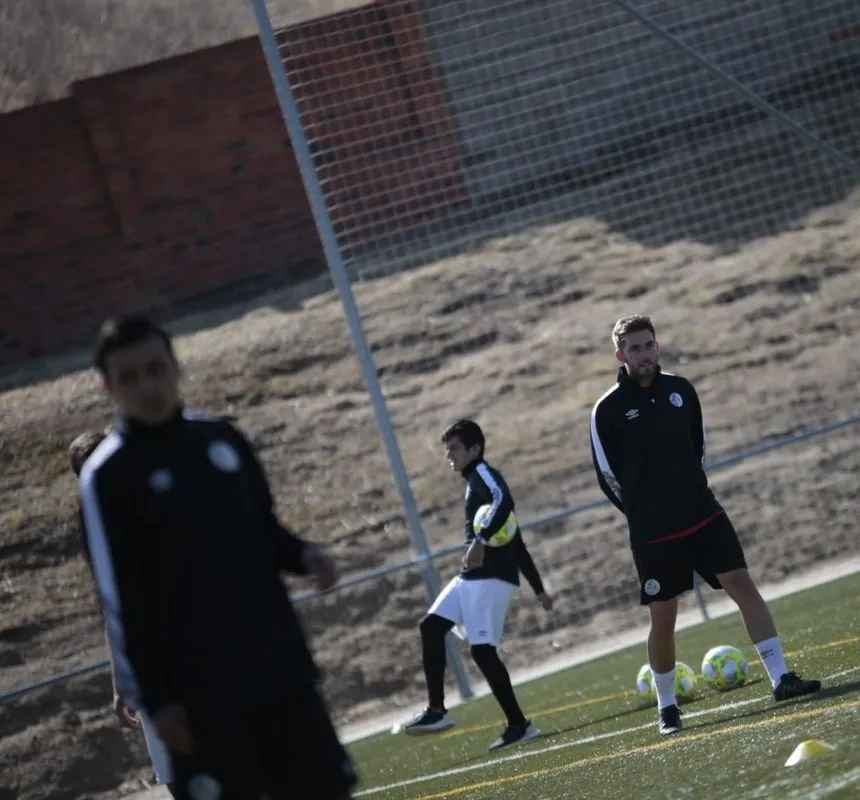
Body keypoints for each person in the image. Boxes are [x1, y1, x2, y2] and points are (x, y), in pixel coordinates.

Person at [78, 314, 357, 800]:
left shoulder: (221, 440)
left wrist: (307, 555)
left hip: (279, 670)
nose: (148, 386)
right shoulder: (108, 476)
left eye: (156, 368)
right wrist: (158, 700)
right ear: (107, 387)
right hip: (199, 701)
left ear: (175, 366)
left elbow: (267, 531)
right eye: (130, 377)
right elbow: (121, 599)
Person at [589, 315, 821, 737]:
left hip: (702, 512)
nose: (643, 353)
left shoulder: (681, 390)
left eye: (649, 345)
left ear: (657, 347)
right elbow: (607, 477)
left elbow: (698, 447)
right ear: (620, 355)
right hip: (653, 531)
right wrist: (643, 513)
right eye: (634, 348)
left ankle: (781, 678)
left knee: (742, 584)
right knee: (664, 617)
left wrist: (688, 492)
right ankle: (668, 707)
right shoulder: (606, 410)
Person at [403, 419, 552, 751]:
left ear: (475, 449)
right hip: (469, 577)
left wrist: (481, 539)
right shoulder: (473, 483)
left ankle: (519, 725)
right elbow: (518, 541)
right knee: (430, 627)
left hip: (492, 578)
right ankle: (437, 710)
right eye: (447, 450)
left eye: (454, 449)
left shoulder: (485, 474)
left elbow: (506, 501)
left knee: (483, 653)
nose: (449, 456)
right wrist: (539, 590)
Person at [70, 430, 178, 799]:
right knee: (176, 770)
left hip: (192, 646)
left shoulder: (153, 496)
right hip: (151, 660)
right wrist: (120, 681)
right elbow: (112, 605)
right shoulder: (94, 527)